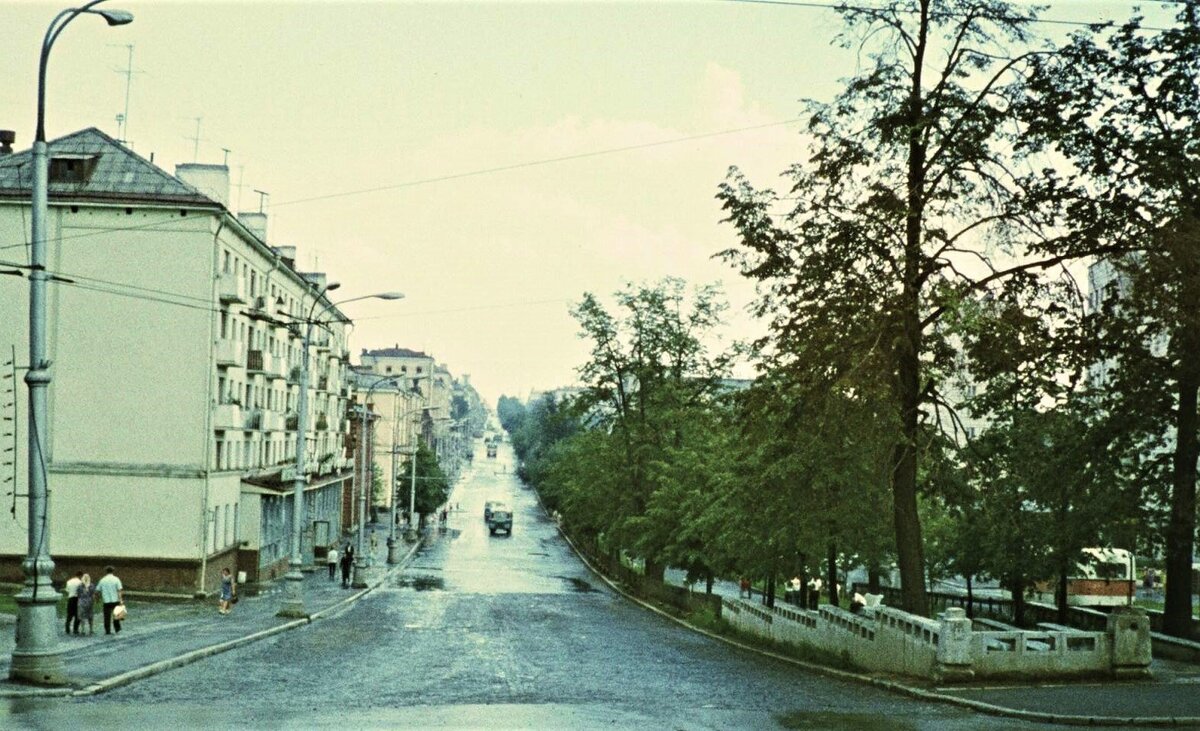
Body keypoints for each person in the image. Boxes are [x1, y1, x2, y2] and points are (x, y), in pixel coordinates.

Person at [95, 566, 124, 635]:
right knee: (116, 615)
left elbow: (97, 591)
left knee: (107, 616)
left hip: (106, 601)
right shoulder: (116, 579)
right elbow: (119, 590)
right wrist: (121, 600)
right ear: (113, 571)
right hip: (115, 600)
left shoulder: (102, 580)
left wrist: (97, 599)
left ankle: (107, 630)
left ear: (106, 571)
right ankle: (117, 628)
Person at [64, 571, 83, 635]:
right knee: (78, 615)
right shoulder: (80, 583)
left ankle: (67, 628)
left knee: (69, 614)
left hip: (71, 598)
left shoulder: (69, 581)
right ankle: (75, 629)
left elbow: (67, 591)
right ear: (80, 576)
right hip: (77, 599)